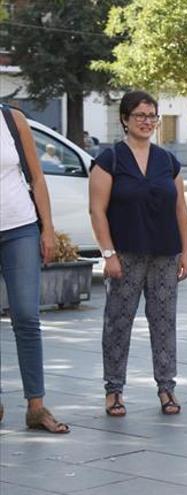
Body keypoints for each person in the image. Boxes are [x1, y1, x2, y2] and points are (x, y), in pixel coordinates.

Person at [89, 90, 187, 417]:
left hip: (165, 254)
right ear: (125, 119)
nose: (147, 121)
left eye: (152, 116)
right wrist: (108, 254)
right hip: (125, 256)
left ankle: (166, 388)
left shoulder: (167, 161)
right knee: (118, 323)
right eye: (140, 116)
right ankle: (114, 391)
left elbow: (181, 209)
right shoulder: (110, 160)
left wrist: (186, 252)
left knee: (164, 323)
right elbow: (96, 210)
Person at [0, 105, 69, 433]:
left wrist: (48, 229)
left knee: (26, 316)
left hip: (20, 227)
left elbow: (37, 177)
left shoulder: (12, 119)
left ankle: (36, 407)